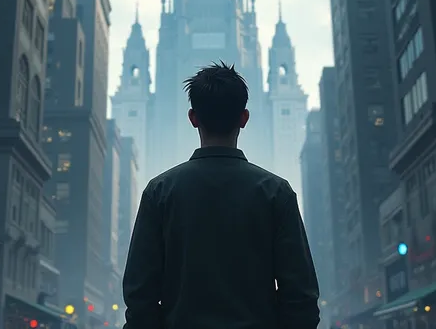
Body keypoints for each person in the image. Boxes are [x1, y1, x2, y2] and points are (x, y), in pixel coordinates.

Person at [122, 61, 320, 329]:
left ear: (193, 118)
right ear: (244, 118)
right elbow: (301, 297)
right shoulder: (276, 193)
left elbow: (139, 295)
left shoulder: (160, 192)